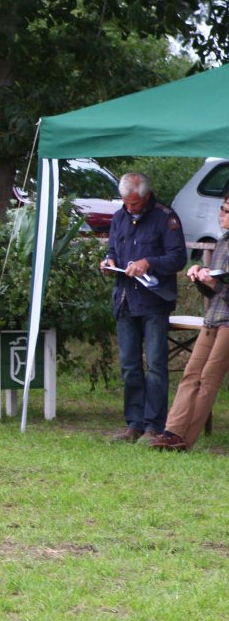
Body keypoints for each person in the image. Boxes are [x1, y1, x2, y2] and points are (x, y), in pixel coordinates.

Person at [100, 172, 186, 444]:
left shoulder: (166, 218)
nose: (129, 207)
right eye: (125, 201)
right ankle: (133, 424)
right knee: (129, 366)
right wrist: (108, 260)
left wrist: (148, 262)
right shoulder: (119, 217)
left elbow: (178, 257)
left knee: (157, 365)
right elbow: (113, 249)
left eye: (134, 203)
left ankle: (154, 427)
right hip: (125, 300)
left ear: (147, 196)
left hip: (153, 302)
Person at [150, 195, 229, 451]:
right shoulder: (222, 242)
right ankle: (171, 431)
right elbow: (213, 291)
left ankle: (185, 439)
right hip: (213, 319)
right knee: (190, 375)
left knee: (208, 379)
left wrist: (215, 283)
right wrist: (199, 279)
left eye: (227, 211)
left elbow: (221, 286)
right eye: (222, 208)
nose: (222, 214)